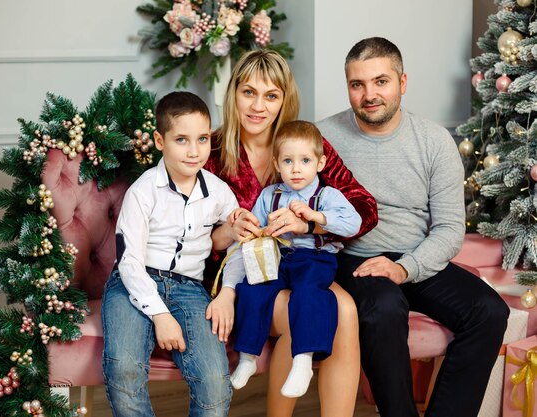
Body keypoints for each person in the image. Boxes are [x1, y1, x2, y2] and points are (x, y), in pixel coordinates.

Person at [315, 37, 510, 417]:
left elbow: (451, 228)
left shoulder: (434, 141)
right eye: (357, 85)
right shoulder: (322, 137)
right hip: (354, 259)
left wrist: (405, 267)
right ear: (348, 87)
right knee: (384, 306)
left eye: (381, 82)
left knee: (489, 312)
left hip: (415, 256)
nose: (369, 94)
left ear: (402, 82)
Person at [203, 49, 378, 417]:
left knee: (340, 306)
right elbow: (183, 235)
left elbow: (364, 208)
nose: (258, 106)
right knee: (333, 308)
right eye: (248, 92)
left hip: (301, 264)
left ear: (285, 99)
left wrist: (309, 222)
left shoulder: (302, 145)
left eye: (271, 95)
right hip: (241, 274)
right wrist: (226, 232)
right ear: (233, 92)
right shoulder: (212, 151)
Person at [101, 91, 240, 417]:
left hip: (189, 288)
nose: (194, 151)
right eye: (181, 140)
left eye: (202, 139)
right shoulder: (143, 191)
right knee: (124, 368)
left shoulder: (219, 192)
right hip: (132, 283)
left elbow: (239, 245)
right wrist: (161, 315)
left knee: (216, 383)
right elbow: (129, 262)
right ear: (160, 141)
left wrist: (228, 292)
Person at [223, 120, 362, 399]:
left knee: (308, 292)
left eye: (305, 160)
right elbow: (256, 230)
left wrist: (317, 218)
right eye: (288, 161)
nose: (296, 168)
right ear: (277, 163)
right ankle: (248, 357)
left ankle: (303, 360)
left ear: (320, 163)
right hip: (278, 256)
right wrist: (255, 227)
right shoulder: (270, 196)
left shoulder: (327, 195)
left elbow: (354, 223)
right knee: (252, 289)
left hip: (315, 258)